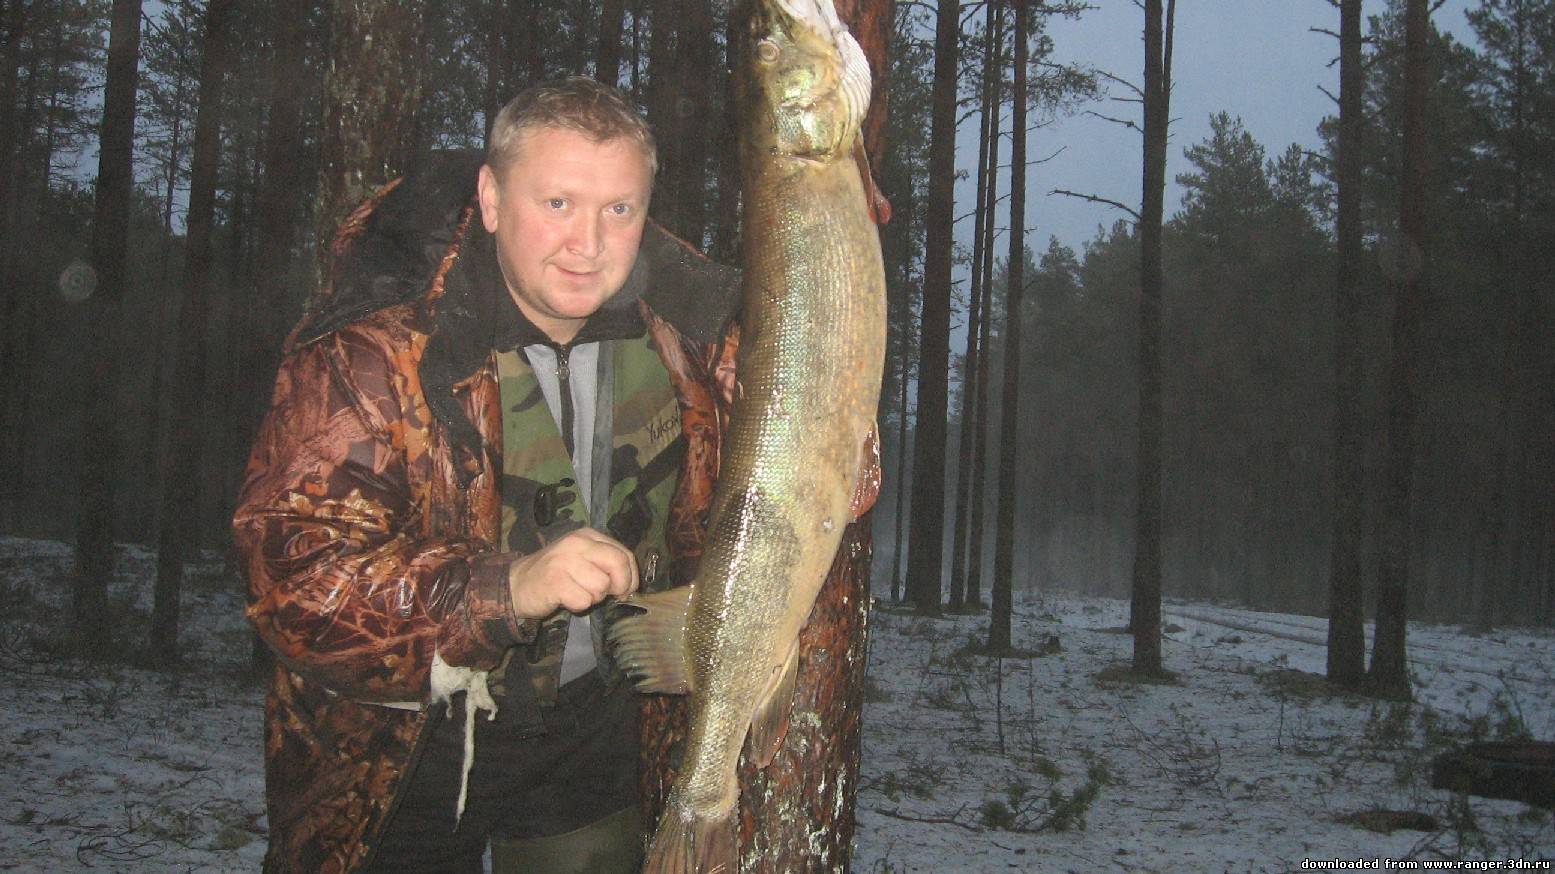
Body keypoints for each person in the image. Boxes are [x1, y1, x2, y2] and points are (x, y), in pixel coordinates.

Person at [233, 77, 742, 874]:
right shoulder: (373, 349)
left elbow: (812, 439)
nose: (588, 244)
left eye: (619, 209)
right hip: (407, 742)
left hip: (597, 735)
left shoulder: (693, 335)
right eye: (557, 203)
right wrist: (505, 589)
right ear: (492, 198)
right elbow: (295, 585)